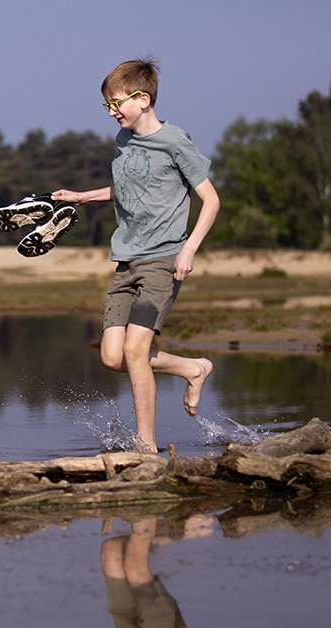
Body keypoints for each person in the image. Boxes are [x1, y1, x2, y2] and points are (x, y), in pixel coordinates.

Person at [52, 58, 220, 452]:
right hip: (126, 262)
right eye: (107, 106)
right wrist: (82, 197)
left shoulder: (176, 142)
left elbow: (211, 200)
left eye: (117, 103)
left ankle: (146, 448)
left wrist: (189, 248)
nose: (112, 112)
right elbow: (124, 188)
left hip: (163, 261)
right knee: (113, 357)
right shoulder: (123, 142)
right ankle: (193, 368)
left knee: (135, 350)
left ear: (142, 99)